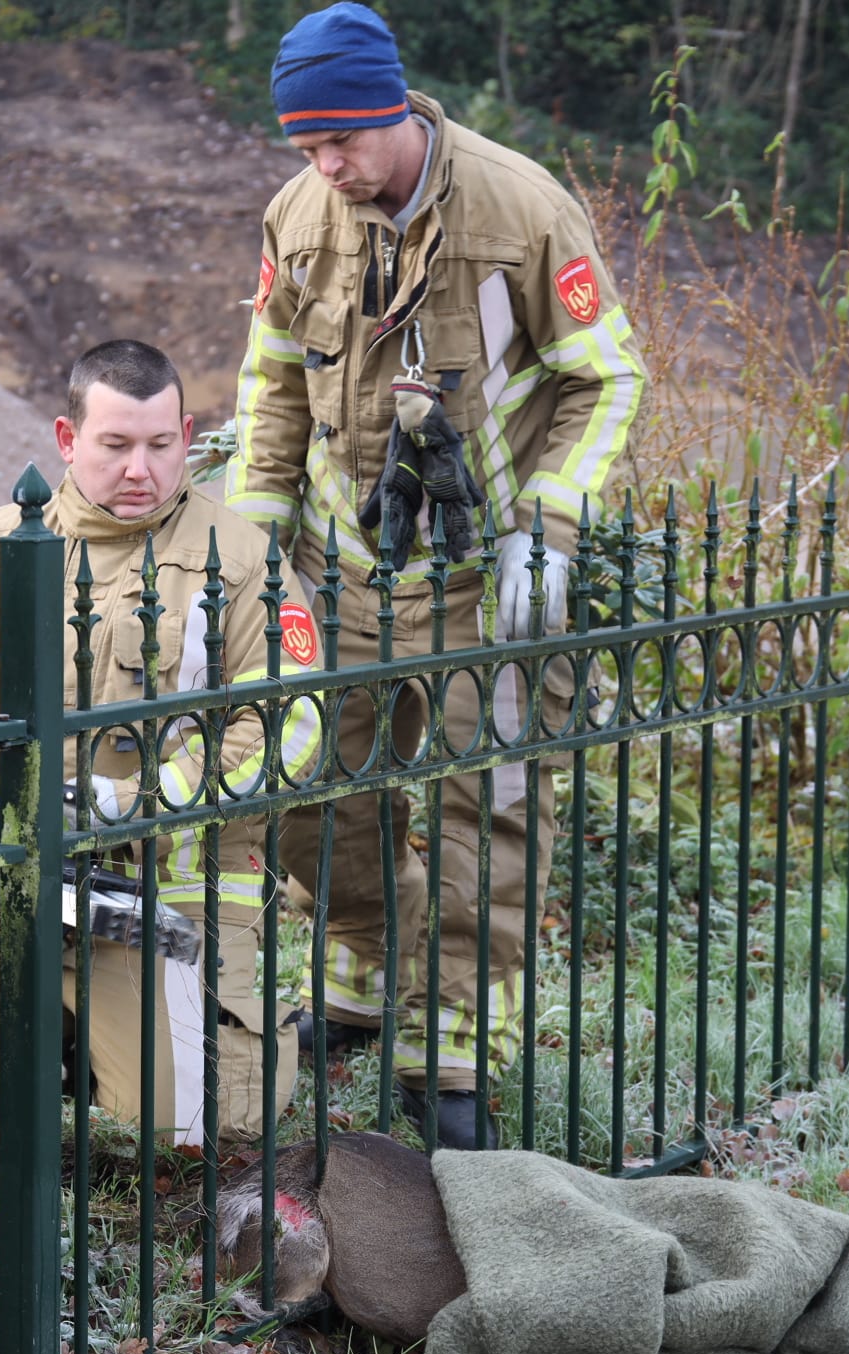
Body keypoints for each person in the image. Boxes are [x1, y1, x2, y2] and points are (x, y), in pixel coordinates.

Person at [224, 2, 646, 1150]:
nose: (325, 166)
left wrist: (549, 522)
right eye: (306, 146)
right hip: (340, 567)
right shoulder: (298, 215)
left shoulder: (523, 209)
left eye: (340, 141)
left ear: (392, 111)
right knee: (310, 790)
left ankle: (456, 1033)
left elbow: (607, 377)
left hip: (484, 575)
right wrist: (256, 539)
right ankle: (367, 961)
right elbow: (271, 382)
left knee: (485, 810)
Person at [0, 339, 323, 1149]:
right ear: (67, 440)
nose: (141, 470)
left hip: (164, 906)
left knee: (199, 1129)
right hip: (7, 893)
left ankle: (102, 1048)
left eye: (161, 445)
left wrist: (132, 803)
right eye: (116, 445)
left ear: (187, 435)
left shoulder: (241, 562)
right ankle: (67, 1047)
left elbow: (290, 724)